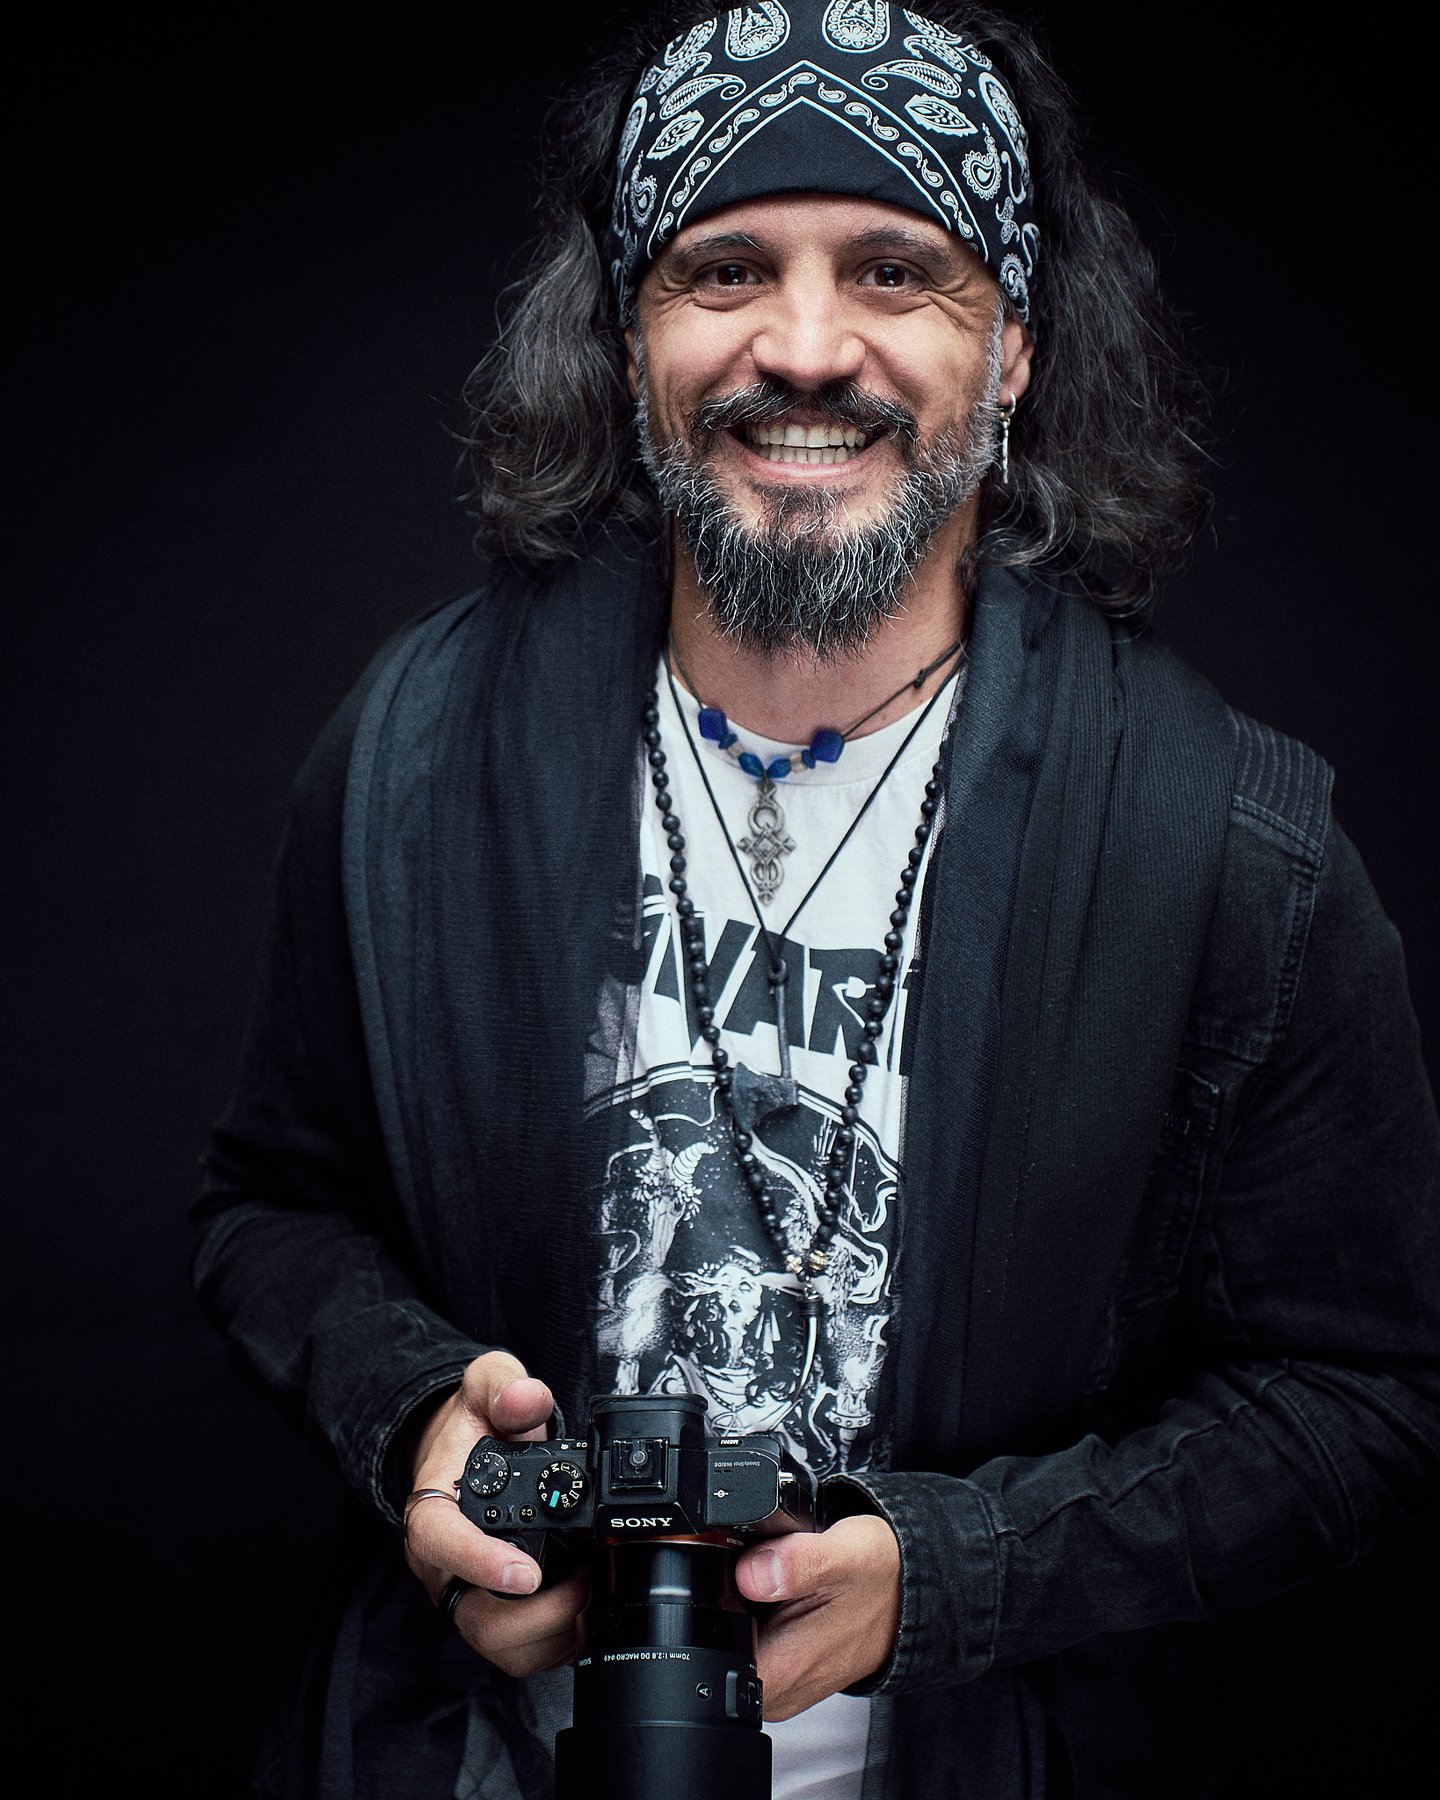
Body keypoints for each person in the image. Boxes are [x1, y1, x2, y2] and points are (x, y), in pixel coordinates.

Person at [193, 4, 1440, 1796]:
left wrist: (944, 1577)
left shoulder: (1233, 845)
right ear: (629, 341)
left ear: (1010, 346)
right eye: (720, 269)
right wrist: (415, 1420)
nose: (801, 346)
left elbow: (1362, 1395)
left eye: (893, 270)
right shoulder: (414, 758)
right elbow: (271, 1211)